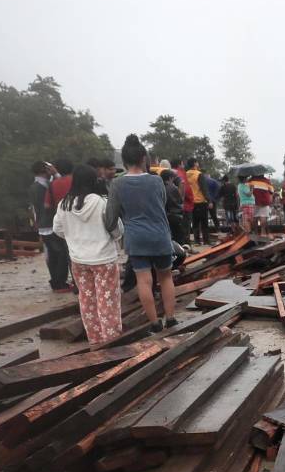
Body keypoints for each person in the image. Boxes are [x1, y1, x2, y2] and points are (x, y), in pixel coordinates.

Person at [104, 134, 177, 332]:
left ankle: (154, 324)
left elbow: (111, 216)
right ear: (143, 158)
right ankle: (170, 319)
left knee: (144, 281)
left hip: (136, 238)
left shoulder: (117, 184)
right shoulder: (156, 181)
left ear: (125, 161)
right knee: (166, 277)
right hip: (160, 235)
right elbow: (161, 205)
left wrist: (111, 231)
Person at [54, 164, 124, 345]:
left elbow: (57, 229)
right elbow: (115, 228)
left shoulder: (64, 204)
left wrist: (74, 238)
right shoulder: (100, 202)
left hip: (78, 260)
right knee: (107, 300)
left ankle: (95, 339)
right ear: (93, 180)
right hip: (103, 259)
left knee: (86, 299)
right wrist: (115, 238)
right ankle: (111, 341)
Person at [30, 160, 72, 292]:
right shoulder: (44, 187)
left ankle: (56, 282)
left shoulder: (35, 186)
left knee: (54, 255)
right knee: (62, 255)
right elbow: (47, 206)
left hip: (43, 226)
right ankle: (59, 283)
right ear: (45, 171)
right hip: (50, 224)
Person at [185, 158, 211, 246]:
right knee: (204, 222)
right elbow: (204, 189)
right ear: (195, 163)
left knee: (195, 222)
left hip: (191, 201)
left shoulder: (186, 174)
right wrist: (209, 200)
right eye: (197, 162)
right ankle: (206, 240)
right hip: (201, 201)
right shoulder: (199, 174)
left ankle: (197, 241)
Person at [160, 169, 186, 244]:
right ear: (170, 178)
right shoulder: (173, 188)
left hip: (165, 216)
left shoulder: (160, 187)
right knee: (179, 240)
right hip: (175, 216)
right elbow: (180, 201)